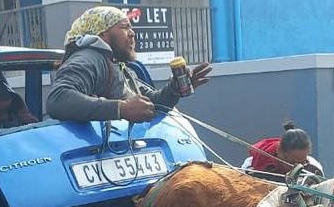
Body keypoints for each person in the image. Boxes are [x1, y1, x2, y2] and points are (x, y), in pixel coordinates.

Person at [47, 6, 212, 123]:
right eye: (125, 27)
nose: (132, 34)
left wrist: (174, 89)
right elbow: (58, 99)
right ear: (102, 34)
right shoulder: (90, 58)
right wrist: (121, 109)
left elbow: (151, 103)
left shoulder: (117, 65)